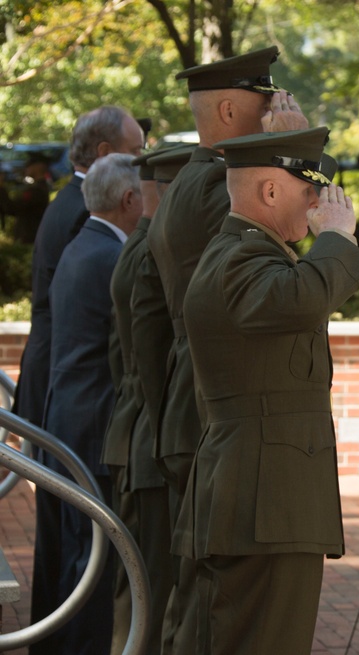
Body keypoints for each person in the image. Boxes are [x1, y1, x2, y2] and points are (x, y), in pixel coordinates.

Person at [173, 127, 359, 654]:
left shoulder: (250, 253)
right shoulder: (241, 257)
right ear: (269, 193)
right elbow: (299, 299)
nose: (318, 202)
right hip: (262, 502)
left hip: (262, 499)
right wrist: (337, 238)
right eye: (309, 190)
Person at [134, 45, 309, 655]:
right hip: (218, 406)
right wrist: (296, 147)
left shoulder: (190, 179)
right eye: (268, 102)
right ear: (232, 106)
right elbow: (280, 279)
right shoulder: (217, 186)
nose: (276, 110)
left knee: (202, 603)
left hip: (195, 400)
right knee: (223, 614)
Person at [15, 106, 144, 655]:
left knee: (72, 550)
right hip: (83, 411)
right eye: (135, 154)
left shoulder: (76, 221)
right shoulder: (92, 234)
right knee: (85, 554)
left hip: (66, 401)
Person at [103, 144, 194, 655]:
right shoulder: (155, 249)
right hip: (151, 440)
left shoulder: (141, 242)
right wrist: (166, 432)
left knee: (140, 595)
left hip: (139, 430)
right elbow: (154, 357)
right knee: (151, 598)